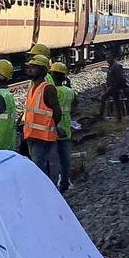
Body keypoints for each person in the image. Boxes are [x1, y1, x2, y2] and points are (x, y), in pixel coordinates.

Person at [23, 54, 62, 179]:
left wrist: (49, 126)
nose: (30, 69)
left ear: (43, 70)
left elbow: (57, 113)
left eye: (34, 67)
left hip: (42, 137)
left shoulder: (48, 89)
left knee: (38, 169)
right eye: (30, 67)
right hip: (31, 135)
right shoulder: (33, 88)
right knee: (39, 168)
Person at [51, 62, 76, 193]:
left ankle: (53, 185)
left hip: (52, 130)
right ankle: (65, 183)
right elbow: (75, 104)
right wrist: (69, 86)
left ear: (53, 74)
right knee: (65, 160)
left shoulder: (51, 91)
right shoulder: (69, 92)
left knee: (53, 160)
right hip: (66, 130)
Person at [99, 53, 129, 120]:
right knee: (116, 103)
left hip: (114, 88)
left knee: (104, 97)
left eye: (108, 58)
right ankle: (119, 118)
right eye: (106, 58)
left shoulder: (116, 66)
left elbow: (120, 78)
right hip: (113, 87)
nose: (107, 60)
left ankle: (101, 115)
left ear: (113, 58)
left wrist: (112, 87)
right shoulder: (112, 66)